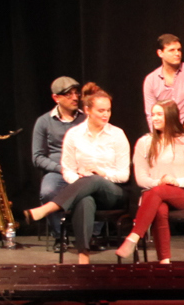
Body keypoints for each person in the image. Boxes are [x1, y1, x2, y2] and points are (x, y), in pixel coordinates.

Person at [25, 83, 130, 264]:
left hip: (113, 192)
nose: (106, 114)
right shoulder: (74, 134)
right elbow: (67, 169)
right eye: (101, 110)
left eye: (108, 110)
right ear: (87, 110)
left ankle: (48, 208)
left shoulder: (117, 134)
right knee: (84, 199)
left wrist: (101, 173)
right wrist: (78, 180)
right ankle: (83, 256)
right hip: (83, 188)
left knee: (94, 179)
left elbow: (124, 175)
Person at [115, 101, 184, 262]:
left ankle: (134, 236)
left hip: (181, 194)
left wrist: (175, 181)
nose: (154, 118)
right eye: (153, 114)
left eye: (159, 114)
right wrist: (159, 183)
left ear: (170, 116)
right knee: (159, 208)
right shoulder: (144, 143)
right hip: (153, 195)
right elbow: (141, 178)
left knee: (157, 193)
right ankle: (164, 262)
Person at [30, 76, 84, 201]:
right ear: (56, 98)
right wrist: (61, 169)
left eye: (76, 93)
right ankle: (57, 221)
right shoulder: (44, 122)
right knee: (48, 192)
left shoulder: (86, 119)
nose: (75, 98)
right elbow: (38, 157)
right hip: (58, 172)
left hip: (83, 170)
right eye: (68, 95)